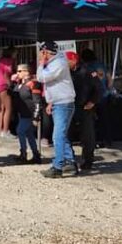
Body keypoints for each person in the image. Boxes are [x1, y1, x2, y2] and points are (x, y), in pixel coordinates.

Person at [36, 41, 77, 178]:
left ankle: (58, 167)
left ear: (45, 52)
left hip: (63, 103)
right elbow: (53, 85)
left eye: (42, 52)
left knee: (57, 136)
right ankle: (70, 162)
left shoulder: (58, 63)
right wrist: (50, 102)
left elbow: (41, 77)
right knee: (62, 134)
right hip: (59, 102)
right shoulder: (56, 62)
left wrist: (41, 63)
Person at [67, 51, 99, 170]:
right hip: (70, 106)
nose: (65, 63)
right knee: (67, 134)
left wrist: (92, 101)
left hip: (85, 107)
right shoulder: (66, 72)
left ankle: (88, 160)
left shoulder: (88, 71)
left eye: (67, 61)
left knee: (87, 135)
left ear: (74, 60)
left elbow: (98, 88)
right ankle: (69, 159)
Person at [11, 62, 42, 164]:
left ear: (26, 72)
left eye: (20, 71)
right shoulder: (20, 84)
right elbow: (14, 94)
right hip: (21, 113)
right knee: (29, 134)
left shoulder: (33, 83)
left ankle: (23, 154)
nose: (17, 73)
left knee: (20, 131)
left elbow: (37, 101)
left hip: (29, 113)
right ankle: (36, 155)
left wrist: (36, 117)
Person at [0, 49, 16, 138]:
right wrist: (10, 85)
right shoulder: (8, 61)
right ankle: (6, 131)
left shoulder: (0, 61)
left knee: (1, 108)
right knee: (8, 108)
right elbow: (6, 74)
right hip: (3, 85)